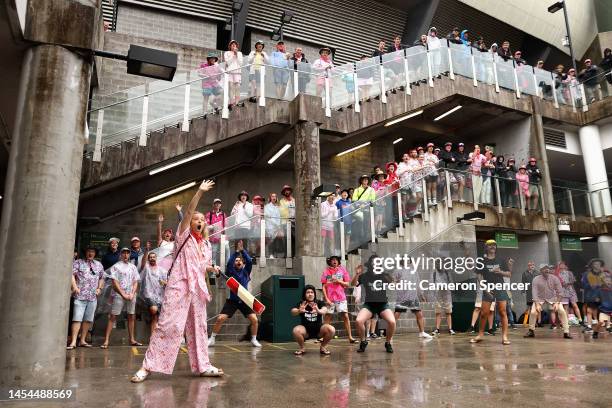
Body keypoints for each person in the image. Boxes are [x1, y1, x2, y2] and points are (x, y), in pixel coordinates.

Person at [131, 179, 223, 382]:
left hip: (197, 288)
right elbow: (189, 212)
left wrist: (212, 268)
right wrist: (199, 192)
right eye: (196, 219)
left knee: (199, 328)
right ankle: (148, 366)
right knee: (168, 324)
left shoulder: (206, 244)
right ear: (190, 223)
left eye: (202, 220)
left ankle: (203, 366)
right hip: (179, 284)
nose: (199, 221)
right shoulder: (183, 235)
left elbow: (202, 266)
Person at [209, 240, 261, 347]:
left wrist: (242, 251)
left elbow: (250, 262)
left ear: (243, 263)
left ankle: (254, 339)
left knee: (254, 320)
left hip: (244, 300)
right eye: (236, 260)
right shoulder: (231, 272)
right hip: (232, 300)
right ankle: (212, 339)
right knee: (220, 318)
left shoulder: (246, 272)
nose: (238, 262)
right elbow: (229, 263)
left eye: (240, 261)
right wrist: (237, 252)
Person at [470, 240, 511, 345]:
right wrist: (484, 288)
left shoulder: (501, 260)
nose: (492, 247)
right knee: (484, 313)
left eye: (494, 245)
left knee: (503, 311)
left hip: (500, 286)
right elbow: (479, 275)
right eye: (490, 245)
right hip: (488, 287)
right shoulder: (482, 261)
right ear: (486, 247)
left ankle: (505, 337)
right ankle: (480, 335)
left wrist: (500, 272)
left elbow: (509, 274)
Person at [352, 256, 396, 353]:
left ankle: (388, 343)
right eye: (373, 262)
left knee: (392, 322)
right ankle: (363, 342)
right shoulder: (365, 276)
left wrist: (394, 280)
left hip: (382, 305)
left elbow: (394, 285)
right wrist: (357, 274)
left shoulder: (384, 275)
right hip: (369, 305)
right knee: (359, 321)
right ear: (370, 264)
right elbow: (353, 284)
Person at [102, 247, 141, 349]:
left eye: (128, 253)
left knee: (131, 316)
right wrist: (123, 294)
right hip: (119, 294)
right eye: (124, 253)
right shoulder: (116, 266)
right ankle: (106, 340)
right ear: (120, 254)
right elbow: (115, 282)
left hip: (131, 294)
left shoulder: (133, 267)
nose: (126, 255)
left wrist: (132, 293)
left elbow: (135, 281)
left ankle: (132, 339)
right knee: (113, 316)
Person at [67, 246, 104, 349]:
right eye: (88, 251)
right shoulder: (78, 262)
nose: (90, 253)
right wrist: (74, 287)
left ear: (95, 253)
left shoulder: (98, 265)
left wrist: (99, 289)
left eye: (92, 251)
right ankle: (73, 341)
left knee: (88, 319)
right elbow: (71, 275)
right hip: (80, 296)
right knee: (77, 318)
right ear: (85, 253)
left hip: (92, 297)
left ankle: (82, 340)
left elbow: (102, 278)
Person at [524, 264, 572, 339]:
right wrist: (537, 304)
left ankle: (566, 332)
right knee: (533, 312)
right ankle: (531, 331)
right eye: (544, 268)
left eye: (548, 268)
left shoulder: (555, 278)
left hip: (553, 298)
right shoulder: (536, 279)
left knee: (562, 311)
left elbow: (560, 292)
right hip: (540, 299)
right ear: (540, 271)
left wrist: (557, 303)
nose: (547, 270)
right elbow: (534, 292)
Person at [321, 256, 356, 343]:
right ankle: (323, 337)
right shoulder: (326, 271)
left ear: (338, 262)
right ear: (330, 262)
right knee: (328, 316)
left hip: (341, 297)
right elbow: (323, 286)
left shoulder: (343, 270)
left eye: (336, 260)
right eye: (333, 260)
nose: (334, 261)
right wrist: (326, 299)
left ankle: (350, 337)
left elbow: (347, 284)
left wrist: (339, 281)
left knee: (345, 316)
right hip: (330, 298)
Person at [291, 285, 334, 355]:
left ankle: (323, 347)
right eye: (308, 292)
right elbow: (293, 311)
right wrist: (299, 310)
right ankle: (302, 348)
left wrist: (318, 311)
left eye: (312, 292)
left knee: (331, 329)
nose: (310, 294)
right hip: (306, 331)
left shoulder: (319, 303)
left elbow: (324, 310)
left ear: (314, 294)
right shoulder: (302, 303)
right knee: (296, 330)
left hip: (319, 331)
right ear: (304, 294)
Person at [393, 264, 433, 340]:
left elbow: (418, 283)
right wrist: (397, 286)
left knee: (419, 315)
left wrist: (421, 295)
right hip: (402, 297)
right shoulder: (398, 270)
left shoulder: (414, 271)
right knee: (396, 316)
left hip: (413, 297)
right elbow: (394, 282)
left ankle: (422, 333)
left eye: (408, 260)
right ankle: (390, 334)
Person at [140, 251, 168, 335]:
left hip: (159, 296)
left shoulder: (162, 270)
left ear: (156, 259)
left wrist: (164, 282)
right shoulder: (146, 269)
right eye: (150, 257)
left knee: (155, 317)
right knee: (154, 310)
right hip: (149, 295)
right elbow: (143, 264)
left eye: (153, 257)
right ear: (148, 259)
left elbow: (168, 283)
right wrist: (146, 251)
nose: (152, 258)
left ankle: (153, 338)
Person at [582, 258, 609, 333]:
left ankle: (608, 326)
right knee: (589, 311)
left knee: (606, 311)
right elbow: (584, 285)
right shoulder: (586, 274)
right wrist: (591, 285)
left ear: (601, 265)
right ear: (592, 265)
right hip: (591, 295)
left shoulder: (605, 274)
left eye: (598, 264)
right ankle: (589, 326)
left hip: (603, 295)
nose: (597, 265)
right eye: (595, 264)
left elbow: (609, 284)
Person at [554, 261, 583, 326]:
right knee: (565, 307)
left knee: (575, 305)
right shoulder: (557, 274)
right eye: (560, 264)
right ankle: (566, 321)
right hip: (563, 292)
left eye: (563, 264)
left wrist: (568, 283)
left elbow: (573, 280)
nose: (562, 265)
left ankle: (580, 319)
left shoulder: (569, 273)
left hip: (571, 290)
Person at [431, 267, 455, 336]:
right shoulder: (434, 272)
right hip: (438, 294)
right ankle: (437, 329)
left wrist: (449, 287)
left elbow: (451, 282)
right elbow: (432, 282)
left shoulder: (447, 272)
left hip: (446, 294)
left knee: (448, 312)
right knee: (438, 312)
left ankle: (450, 329)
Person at [205, 198, 227, 268]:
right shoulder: (209, 214)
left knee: (226, 251)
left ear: (220, 205)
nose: (217, 204)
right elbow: (206, 226)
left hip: (222, 238)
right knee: (213, 255)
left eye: (219, 203)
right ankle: (213, 273)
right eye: (216, 203)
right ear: (213, 205)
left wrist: (225, 234)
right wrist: (213, 227)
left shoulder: (223, 214)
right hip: (213, 238)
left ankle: (226, 268)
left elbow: (226, 225)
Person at [224, 40, 244, 107]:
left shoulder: (240, 53)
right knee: (231, 87)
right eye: (232, 44)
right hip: (229, 72)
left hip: (237, 72)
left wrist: (236, 54)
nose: (233, 45)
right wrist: (233, 56)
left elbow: (240, 63)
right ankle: (231, 102)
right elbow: (228, 63)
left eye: (235, 45)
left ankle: (237, 102)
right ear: (230, 46)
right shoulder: (227, 53)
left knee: (237, 87)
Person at [592, 272, 612, 339]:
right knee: (600, 322)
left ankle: (609, 327)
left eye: (609, 280)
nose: (608, 282)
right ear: (603, 281)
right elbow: (596, 298)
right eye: (606, 280)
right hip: (604, 309)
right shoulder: (599, 290)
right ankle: (595, 332)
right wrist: (597, 299)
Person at [264, 193, 284, 258]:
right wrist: (276, 224)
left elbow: (279, 217)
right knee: (270, 241)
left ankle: (275, 254)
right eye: (272, 196)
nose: (274, 197)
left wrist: (279, 226)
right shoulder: (267, 206)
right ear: (270, 198)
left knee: (276, 241)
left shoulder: (277, 207)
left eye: (275, 196)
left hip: (277, 227)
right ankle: (270, 254)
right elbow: (267, 217)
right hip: (270, 226)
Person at [521, 261, 539, 326]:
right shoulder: (525, 273)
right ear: (528, 266)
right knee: (528, 307)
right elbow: (523, 283)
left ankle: (537, 322)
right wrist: (523, 291)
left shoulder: (537, 273)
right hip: (529, 292)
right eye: (530, 265)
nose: (531, 266)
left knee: (536, 307)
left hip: (537, 293)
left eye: (532, 265)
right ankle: (525, 322)